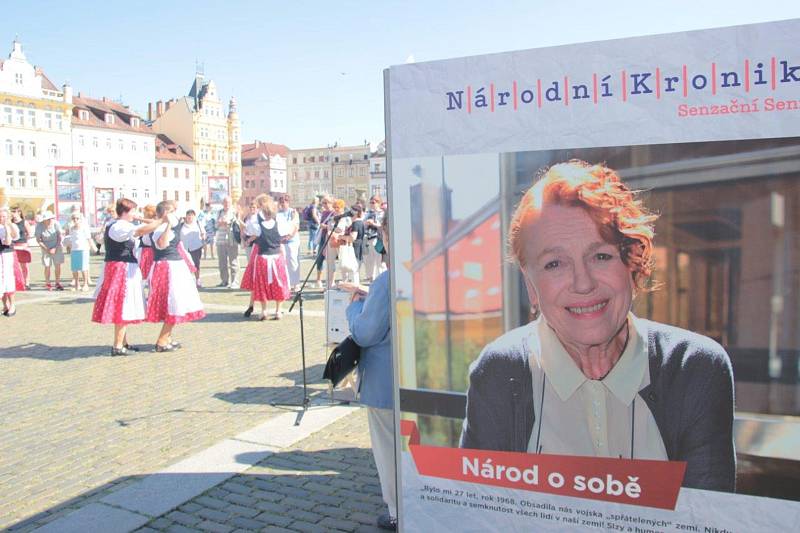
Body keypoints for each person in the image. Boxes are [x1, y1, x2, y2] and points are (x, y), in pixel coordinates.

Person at [459, 160, 735, 492]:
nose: (583, 282)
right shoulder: (500, 372)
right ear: (530, 285)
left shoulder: (695, 369)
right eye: (554, 263)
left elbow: (704, 520)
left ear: (633, 262)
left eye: (601, 256)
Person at [343, 212, 395, 530]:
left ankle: (397, 511)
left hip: (385, 382)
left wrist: (354, 306)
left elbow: (365, 332)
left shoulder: (388, 279)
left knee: (388, 449)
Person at [91, 199, 160, 355]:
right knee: (122, 304)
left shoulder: (117, 225)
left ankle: (123, 342)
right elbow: (141, 231)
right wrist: (161, 220)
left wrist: (148, 220)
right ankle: (117, 346)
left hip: (122, 266)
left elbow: (143, 227)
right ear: (126, 211)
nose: (136, 214)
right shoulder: (120, 226)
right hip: (121, 268)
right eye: (133, 211)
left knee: (125, 304)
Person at [146, 200, 205, 351]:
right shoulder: (161, 229)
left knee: (175, 303)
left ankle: (168, 337)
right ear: (166, 213)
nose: (177, 214)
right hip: (167, 268)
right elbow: (162, 243)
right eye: (173, 211)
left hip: (174, 266)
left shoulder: (166, 227)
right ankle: (161, 341)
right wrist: (168, 225)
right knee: (174, 303)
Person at [240, 194, 291, 320]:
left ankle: (264, 311)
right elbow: (288, 233)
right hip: (277, 257)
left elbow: (249, 232)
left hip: (263, 257)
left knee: (262, 284)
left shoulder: (257, 225)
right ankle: (278, 311)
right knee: (279, 283)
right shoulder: (279, 223)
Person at [0, 207, 22, 316]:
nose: (1, 218)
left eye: (4, 216)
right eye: (0, 216)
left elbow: (9, 241)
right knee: (0, 281)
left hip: (7, 254)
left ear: (8, 217)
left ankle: (12, 304)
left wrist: (7, 228)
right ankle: (5, 304)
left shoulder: (12, 226)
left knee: (8, 279)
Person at [276, 194, 301, 291]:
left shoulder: (293, 212)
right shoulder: (278, 213)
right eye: (281, 202)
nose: (282, 204)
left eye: (284, 202)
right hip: (282, 240)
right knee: (284, 262)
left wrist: (289, 236)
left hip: (292, 240)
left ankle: (296, 283)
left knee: (293, 261)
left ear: (288, 202)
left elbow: (296, 226)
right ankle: (287, 282)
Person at [35, 212, 65, 290]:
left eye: (52, 218)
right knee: (47, 266)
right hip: (45, 247)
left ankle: (57, 283)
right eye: (48, 219)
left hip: (57, 246)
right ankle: (47, 283)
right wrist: (47, 249)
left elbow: (59, 237)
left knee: (58, 265)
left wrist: (55, 248)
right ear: (44, 220)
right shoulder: (39, 226)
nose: (51, 220)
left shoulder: (56, 224)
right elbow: (39, 240)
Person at [215, 196, 240, 288]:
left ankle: (235, 281)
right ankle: (224, 281)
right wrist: (221, 223)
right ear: (222, 203)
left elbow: (236, 223)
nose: (227, 204)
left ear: (231, 203)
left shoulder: (235, 212)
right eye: (225, 202)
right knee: (222, 262)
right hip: (220, 240)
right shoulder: (219, 212)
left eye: (228, 202)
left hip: (231, 240)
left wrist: (227, 223)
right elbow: (216, 225)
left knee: (233, 262)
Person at [66, 213, 92, 291]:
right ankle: (77, 284)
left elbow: (88, 238)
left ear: (80, 219)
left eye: (77, 218)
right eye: (74, 218)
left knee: (84, 268)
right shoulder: (71, 228)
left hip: (83, 249)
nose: (75, 220)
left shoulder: (84, 227)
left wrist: (89, 247)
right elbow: (71, 239)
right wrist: (69, 247)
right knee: (75, 268)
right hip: (74, 250)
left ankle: (85, 284)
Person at [180, 209, 205, 288]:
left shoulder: (198, 224)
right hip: (184, 249)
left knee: (196, 264)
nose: (190, 217)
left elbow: (204, 234)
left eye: (192, 215)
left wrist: (203, 236)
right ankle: (186, 281)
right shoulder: (181, 225)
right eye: (188, 215)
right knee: (184, 265)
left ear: (194, 216)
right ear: (186, 216)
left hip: (196, 247)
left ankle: (198, 280)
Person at [313, 196, 334, 288]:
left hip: (331, 237)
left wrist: (325, 226)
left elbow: (334, 226)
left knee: (331, 259)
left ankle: (331, 281)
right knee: (320, 258)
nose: (324, 205)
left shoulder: (334, 213)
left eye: (326, 203)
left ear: (331, 203)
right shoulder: (324, 213)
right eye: (323, 203)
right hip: (323, 237)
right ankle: (319, 279)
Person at [364, 195, 386, 282]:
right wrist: (366, 223)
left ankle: (381, 279)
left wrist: (373, 223)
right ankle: (371, 280)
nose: (372, 204)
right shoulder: (368, 213)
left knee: (379, 261)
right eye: (371, 202)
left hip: (379, 238)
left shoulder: (383, 213)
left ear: (379, 203)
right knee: (369, 261)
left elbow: (383, 226)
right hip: (368, 238)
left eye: (373, 202)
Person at [10, 207, 31, 289]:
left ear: (19, 212)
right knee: (14, 265)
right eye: (12, 212)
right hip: (13, 245)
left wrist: (26, 243)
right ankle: (18, 282)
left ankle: (27, 282)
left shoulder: (24, 222)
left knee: (24, 265)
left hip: (22, 244)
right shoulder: (10, 223)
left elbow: (29, 233)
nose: (13, 213)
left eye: (14, 212)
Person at [137, 205, 157, 283]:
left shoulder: (147, 224)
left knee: (145, 271)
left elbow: (146, 241)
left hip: (147, 250)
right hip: (147, 250)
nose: (143, 214)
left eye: (144, 212)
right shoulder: (151, 223)